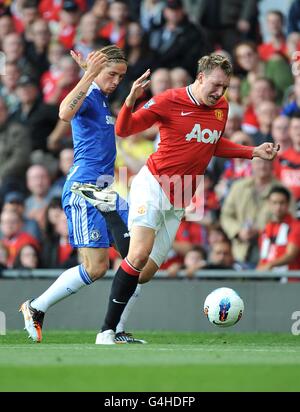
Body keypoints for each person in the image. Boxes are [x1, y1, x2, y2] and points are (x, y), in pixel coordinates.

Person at [75, 53, 279, 344]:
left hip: (182, 193)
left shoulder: (221, 107)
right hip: (154, 182)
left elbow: (212, 142)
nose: (220, 92)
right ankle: (107, 332)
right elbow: (124, 129)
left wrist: (252, 151)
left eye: (225, 87)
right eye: (216, 85)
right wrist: (131, 99)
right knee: (138, 254)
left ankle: (110, 210)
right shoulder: (169, 100)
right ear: (200, 78)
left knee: (143, 273)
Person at [19, 45, 154, 344]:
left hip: (105, 191)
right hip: (84, 189)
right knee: (96, 268)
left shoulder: (101, 99)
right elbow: (64, 112)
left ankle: (114, 330)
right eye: (112, 74)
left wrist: (94, 75)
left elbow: (91, 93)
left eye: (120, 75)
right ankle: (36, 307)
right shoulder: (90, 96)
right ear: (98, 72)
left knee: (137, 259)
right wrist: (90, 74)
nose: (117, 80)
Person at [257, 186, 300, 278]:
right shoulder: (266, 228)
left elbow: (291, 255)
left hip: (290, 281)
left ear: (288, 204)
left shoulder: (296, 226)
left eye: (282, 203)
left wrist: (270, 265)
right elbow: (264, 257)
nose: (278, 207)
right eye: (274, 203)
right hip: (267, 280)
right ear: (269, 204)